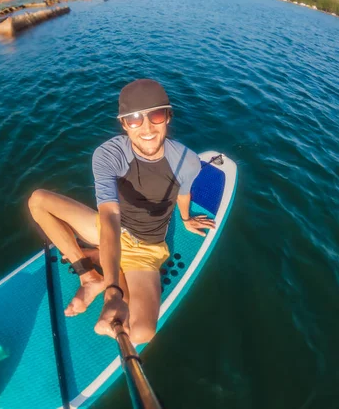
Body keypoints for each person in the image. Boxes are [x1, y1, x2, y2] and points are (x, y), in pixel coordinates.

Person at [28, 79, 215, 344]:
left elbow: (184, 192)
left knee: (141, 334)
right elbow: (110, 217)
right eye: (136, 119)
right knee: (38, 201)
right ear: (124, 123)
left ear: (168, 117)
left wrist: (185, 219)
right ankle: (90, 276)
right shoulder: (108, 154)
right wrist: (113, 293)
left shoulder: (188, 161)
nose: (148, 128)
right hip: (109, 228)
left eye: (157, 115)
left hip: (145, 248)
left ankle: (102, 261)